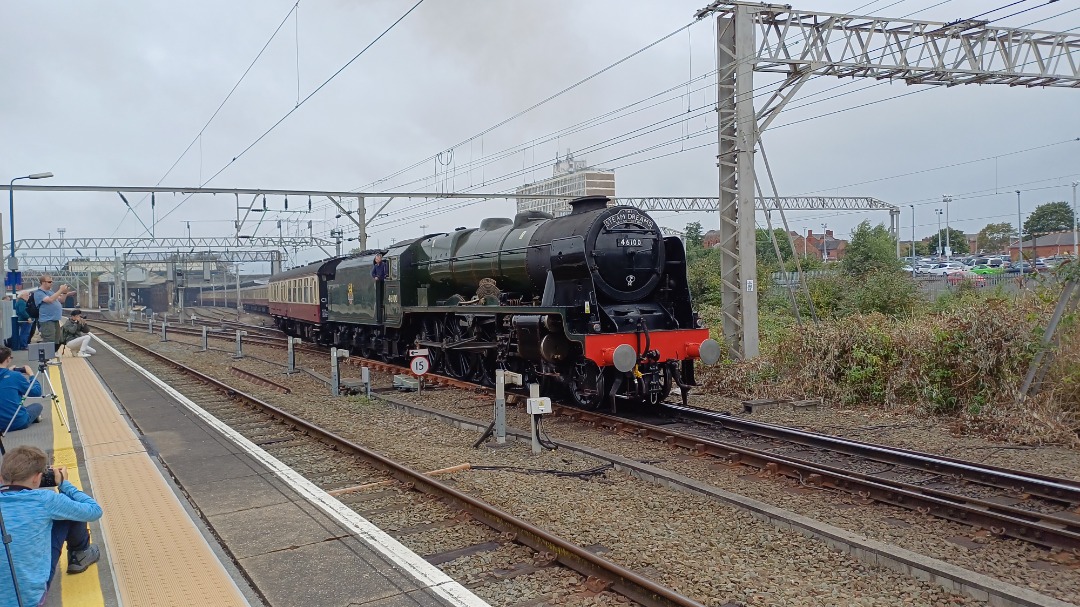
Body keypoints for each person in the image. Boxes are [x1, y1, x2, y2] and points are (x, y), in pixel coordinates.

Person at [0, 445, 102, 607]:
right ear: (37, 478)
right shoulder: (46, 499)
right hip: (30, 600)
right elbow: (94, 511)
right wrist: (64, 484)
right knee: (69, 509)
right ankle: (80, 554)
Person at [0, 346, 42, 432]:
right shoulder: (15, 376)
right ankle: (32, 418)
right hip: (17, 422)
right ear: (8, 359)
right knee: (37, 406)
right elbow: (36, 392)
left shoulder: (12, 375)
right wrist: (31, 375)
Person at [32, 276, 71, 351]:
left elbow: (62, 300)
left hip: (55, 320)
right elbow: (49, 300)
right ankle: (47, 358)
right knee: (49, 340)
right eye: (49, 282)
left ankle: (52, 354)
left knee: (57, 339)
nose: (51, 283)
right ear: (43, 282)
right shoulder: (39, 293)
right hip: (47, 320)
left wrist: (65, 292)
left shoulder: (50, 292)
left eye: (52, 282)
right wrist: (60, 290)